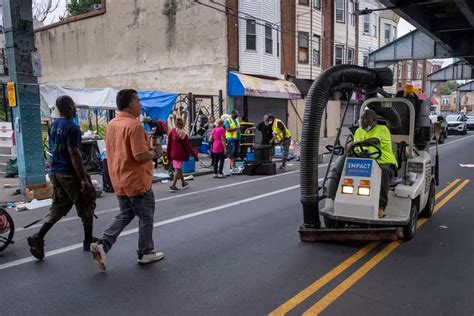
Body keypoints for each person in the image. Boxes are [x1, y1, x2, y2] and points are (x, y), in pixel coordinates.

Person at [89, 89, 163, 271]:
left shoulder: (112, 124)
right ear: (130, 104)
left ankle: (103, 244)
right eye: (137, 100)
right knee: (146, 216)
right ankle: (145, 252)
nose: (140, 104)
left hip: (119, 178)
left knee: (126, 213)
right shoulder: (134, 126)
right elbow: (139, 155)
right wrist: (155, 152)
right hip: (137, 181)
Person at [27, 95, 96, 261]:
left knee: (59, 205)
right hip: (69, 173)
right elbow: (74, 154)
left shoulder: (54, 125)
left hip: (55, 171)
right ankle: (88, 241)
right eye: (74, 105)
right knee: (86, 203)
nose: (75, 108)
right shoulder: (72, 128)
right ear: (70, 107)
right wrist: (84, 180)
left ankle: (39, 235)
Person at [353, 109, 398, 219]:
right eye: (362, 119)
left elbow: (374, 141)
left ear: (374, 121)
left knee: (383, 173)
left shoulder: (382, 129)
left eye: (367, 119)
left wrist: (356, 143)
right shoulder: (358, 131)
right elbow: (355, 148)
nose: (364, 121)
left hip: (384, 162)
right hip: (365, 162)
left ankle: (380, 208)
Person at [167, 117, 199, 192]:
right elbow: (188, 147)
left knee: (179, 168)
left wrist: (168, 154)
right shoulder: (184, 134)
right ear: (183, 125)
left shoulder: (172, 131)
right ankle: (173, 185)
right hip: (180, 154)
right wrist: (194, 155)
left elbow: (169, 143)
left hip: (173, 153)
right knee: (177, 169)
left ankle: (183, 182)